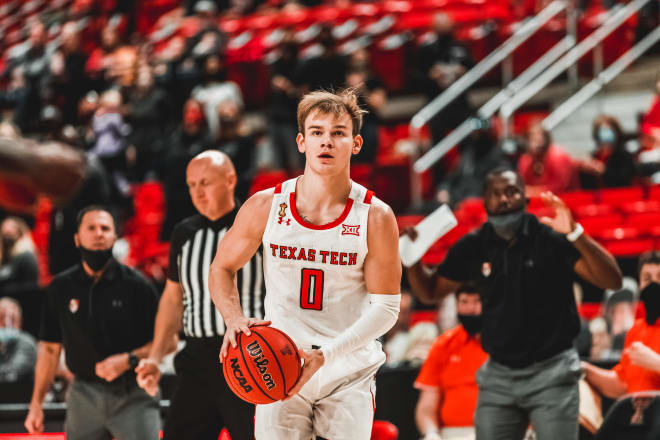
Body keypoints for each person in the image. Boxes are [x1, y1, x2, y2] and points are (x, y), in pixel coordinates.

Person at [209, 89, 402, 440]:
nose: (326, 141)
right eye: (317, 132)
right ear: (301, 141)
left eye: (338, 133)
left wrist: (325, 356)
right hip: (279, 366)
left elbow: (387, 308)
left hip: (347, 371)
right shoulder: (265, 206)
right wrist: (234, 319)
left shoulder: (375, 216)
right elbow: (221, 268)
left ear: (356, 144)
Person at [406, 167, 622, 440]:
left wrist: (576, 234)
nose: (504, 199)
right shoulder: (473, 246)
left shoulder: (549, 239)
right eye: (495, 194)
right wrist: (412, 257)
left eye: (511, 191)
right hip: (499, 374)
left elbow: (612, 280)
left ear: (525, 197)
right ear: (485, 202)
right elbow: (430, 291)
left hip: (552, 371)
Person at [136, 151, 265, 440]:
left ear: (231, 180)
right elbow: (172, 299)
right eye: (191, 185)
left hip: (247, 355)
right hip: (196, 359)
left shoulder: (257, 226)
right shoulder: (183, 233)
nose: (198, 192)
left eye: (205, 182)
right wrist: (156, 358)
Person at [24, 206, 162, 439]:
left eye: (105, 228)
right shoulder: (60, 287)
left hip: (134, 393)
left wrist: (127, 360)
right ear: (77, 238)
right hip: (83, 394)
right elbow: (49, 349)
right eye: (92, 228)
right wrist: (36, 403)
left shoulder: (138, 286)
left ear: (115, 238)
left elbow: (164, 342)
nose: (99, 233)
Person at [415, 283, 487, 440]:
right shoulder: (444, 344)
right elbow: (427, 405)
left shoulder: (505, 343)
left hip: (498, 429)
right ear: (456, 305)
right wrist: (431, 434)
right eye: (464, 302)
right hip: (453, 433)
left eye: (477, 301)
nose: (470, 309)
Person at [583, 251, 660, 397]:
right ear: (640, 284)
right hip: (636, 416)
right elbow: (622, 385)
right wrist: (585, 369)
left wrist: (656, 363)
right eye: (647, 279)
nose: (654, 284)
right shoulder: (635, 330)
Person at [517, 122, 580, 196]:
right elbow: (523, 186)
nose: (536, 142)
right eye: (532, 139)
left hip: (565, 200)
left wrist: (533, 192)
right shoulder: (526, 160)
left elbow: (560, 188)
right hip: (537, 202)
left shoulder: (558, 157)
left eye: (539, 139)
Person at [0, 297, 37, 383]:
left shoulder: (27, 343)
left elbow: (12, 374)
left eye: (12, 319)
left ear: (19, 322)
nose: (6, 324)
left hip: (22, 393)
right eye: (1, 318)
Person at [0, 217, 39, 296]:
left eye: (9, 232)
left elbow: (9, 275)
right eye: (5, 234)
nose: (6, 236)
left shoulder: (25, 253)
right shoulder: (9, 254)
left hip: (22, 299)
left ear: (19, 232)